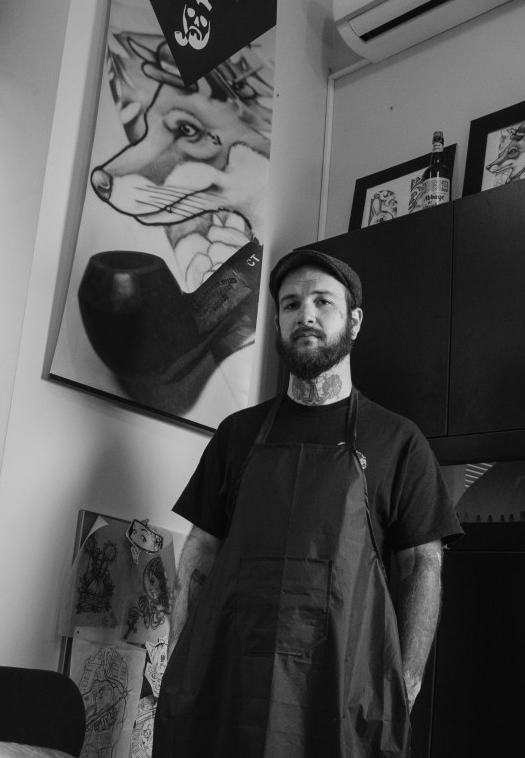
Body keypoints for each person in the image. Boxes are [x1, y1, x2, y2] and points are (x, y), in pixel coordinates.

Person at [152, 248, 463, 757]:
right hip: (232, 688)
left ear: (353, 321)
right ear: (278, 321)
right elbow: (201, 553)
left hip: (341, 697)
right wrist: (181, 660)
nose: (306, 315)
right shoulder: (236, 435)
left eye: (323, 302)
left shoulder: (398, 442)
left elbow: (423, 567)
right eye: (291, 304)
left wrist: (405, 682)